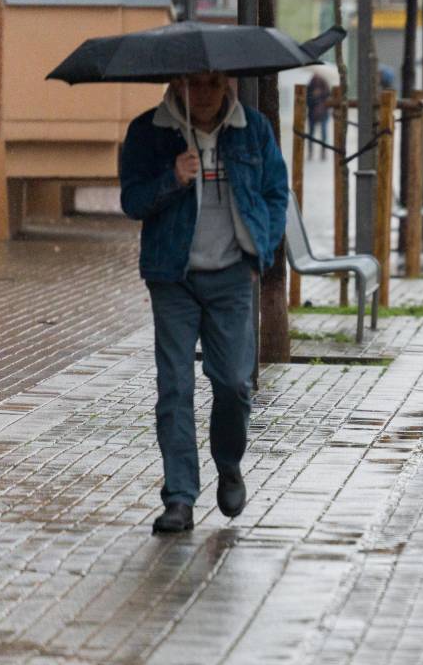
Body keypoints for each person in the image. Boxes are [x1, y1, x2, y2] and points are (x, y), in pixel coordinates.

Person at [119, 72, 288, 534]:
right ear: (178, 85)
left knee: (233, 383)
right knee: (175, 388)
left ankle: (229, 464)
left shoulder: (251, 129)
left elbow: (276, 194)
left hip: (232, 274)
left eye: (213, 84)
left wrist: (262, 251)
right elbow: (132, 201)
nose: (206, 94)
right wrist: (172, 177)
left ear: (227, 83)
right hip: (172, 276)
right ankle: (179, 497)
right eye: (195, 85)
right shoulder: (147, 131)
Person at [306, 73, 331, 160]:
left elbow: (329, 100)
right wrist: (313, 97)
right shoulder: (310, 87)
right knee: (311, 135)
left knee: (323, 134)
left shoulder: (325, 87)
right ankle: (310, 152)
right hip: (312, 115)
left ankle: (323, 152)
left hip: (323, 114)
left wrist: (320, 95)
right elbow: (307, 101)